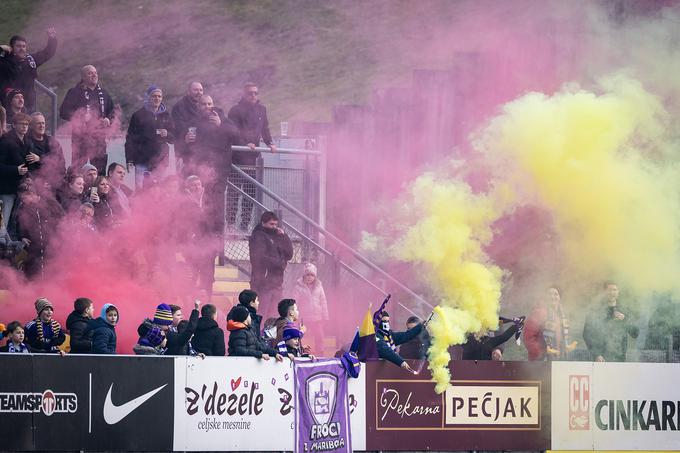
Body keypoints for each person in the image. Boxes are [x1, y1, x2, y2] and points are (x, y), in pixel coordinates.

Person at [227, 83, 276, 231]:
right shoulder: (235, 110)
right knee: (234, 193)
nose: (253, 96)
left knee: (250, 194)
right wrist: (244, 143)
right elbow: (232, 131)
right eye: (250, 93)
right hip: (237, 158)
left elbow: (265, 129)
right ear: (244, 94)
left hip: (254, 158)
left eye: (256, 93)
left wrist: (270, 143)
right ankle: (230, 225)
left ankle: (244, 226)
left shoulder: (262, 109)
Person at [59, 65, 115, 171]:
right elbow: (63, 112)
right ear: (83, 77)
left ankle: (95, 188)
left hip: (99, 139)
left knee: (99, 171)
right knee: (78, 170)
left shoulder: (104, 93)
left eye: (95, 73)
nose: (94, 75)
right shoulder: (74, 92)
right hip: (80, 139)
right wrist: (80, 117)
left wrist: (108, 119)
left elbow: (112, 112)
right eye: (90, 73)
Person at [125, 85, 174, 190]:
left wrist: (167, 134)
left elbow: (174, 138)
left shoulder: (166, 116)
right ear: (148, 98)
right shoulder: (138, 115)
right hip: (142, 160)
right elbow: (130, 139)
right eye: (154, 96)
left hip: (161, 161)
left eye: (159, 96)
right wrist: (129, 159)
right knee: (141, 191)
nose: (157, 98)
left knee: (159, 191)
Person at [249, 211, 293, 318]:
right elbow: (259, 257)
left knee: (275, 315)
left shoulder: (277, 236)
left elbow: (289, 254)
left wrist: (284, 236)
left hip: (277, 283)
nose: (274, 227)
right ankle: (258, 334)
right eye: (271, 224)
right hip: (263, 283)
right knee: (261, 314)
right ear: (263, 223)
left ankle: (270, 334)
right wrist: (280, 264)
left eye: (275, 224)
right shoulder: (258, 236)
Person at [0, 30, 57, 112]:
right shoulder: (4, 61)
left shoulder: (30, 60)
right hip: (9, 105)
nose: (22, 49)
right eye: (18, 46)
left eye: (24, 46)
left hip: (29, 104)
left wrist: (52, 39)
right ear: (11, 48)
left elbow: (47, 53)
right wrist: (1, 48)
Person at [15, 183, 63, 278]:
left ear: (32, 194)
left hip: (51, 245)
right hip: (33, 247)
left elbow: (62, 219)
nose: (23, 201)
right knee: (33, 273)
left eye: (25, 198)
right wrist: (22, 237)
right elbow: (18, 224)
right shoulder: (23, 207)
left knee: (51, 271)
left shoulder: (50, 203)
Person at [583, 282, 639, 362]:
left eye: (614, 290)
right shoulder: (595, 310)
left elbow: (635, 333)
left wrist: (625, 319)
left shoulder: (624, 311)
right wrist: (597, 354)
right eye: (609, 290)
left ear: (618, 292)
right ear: (604, 292)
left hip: (620, 358)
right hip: (601, 359)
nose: (612, 293)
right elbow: (587, 334)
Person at [0, 112, 33, 237]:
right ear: (14, 125)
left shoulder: (27, 140)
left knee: (14, 223)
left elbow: (28, 164)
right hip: (6, 189)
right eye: (22, 124)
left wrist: (37, 158)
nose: (25, 127)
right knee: (3, 225)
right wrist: (15, 170)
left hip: (20, 189)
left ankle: (11, 252)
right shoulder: (5, 141)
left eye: (27, 124)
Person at [524, 287, 576, 361]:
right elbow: (528, 338)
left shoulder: (562, 315)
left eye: (556, 294)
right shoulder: (538, 313)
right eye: (549, 294)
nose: (552, 297)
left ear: (560, 297)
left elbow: (562, 336)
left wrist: (566, 346)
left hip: (560, 358)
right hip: (541, 361)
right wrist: (542, 351)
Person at [291, 263, 328, 352]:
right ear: (304, 275)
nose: (309, 277)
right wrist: (293, 316)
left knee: (319, 335)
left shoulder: (319, 286)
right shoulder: (298, 287)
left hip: (317, 317)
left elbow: (323, 301)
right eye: (307, 275)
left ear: (315, 277)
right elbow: (294, 302)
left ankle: (320, 350)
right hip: (304, 317)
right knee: (300, 334)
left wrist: (325, 316)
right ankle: (299, 349)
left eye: (312, 275)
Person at [171, 81, 203, 174]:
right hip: (184, 152)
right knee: (183, 182)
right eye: (196, 90)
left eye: (201, 90)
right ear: (188, 92)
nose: (199, 92)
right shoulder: (179, 107)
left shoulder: (203, 106)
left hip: (201, 154)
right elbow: (178, 128)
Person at [29, 112, 65, 186]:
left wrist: (40, 159)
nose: (41, 126)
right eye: (38, 123)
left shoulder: (53, 142)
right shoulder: (27, 142)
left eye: (43, 123)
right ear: (31, 126)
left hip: (53, 183)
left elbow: (60, 163)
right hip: (33, 184)